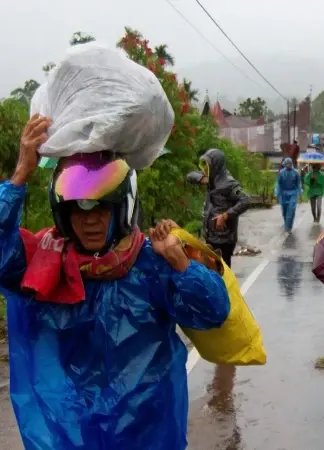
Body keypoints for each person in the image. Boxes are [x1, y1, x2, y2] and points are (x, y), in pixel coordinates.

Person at [2, 114, 231, 450]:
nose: (90, 221)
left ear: (122, 209)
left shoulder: (150, 262)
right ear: (64, 215)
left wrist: (181, 262)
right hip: (72, 431)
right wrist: (21, 174)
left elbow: (214, 311)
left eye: (102, 209)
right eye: (79, 210)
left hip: (147, 431)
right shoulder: (44, 263)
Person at [188, 148, 250, 268]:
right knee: (212, 270)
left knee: (223, 271)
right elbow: (190, 176)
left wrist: (226, 215)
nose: (205, 169)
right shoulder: (210, 178)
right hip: (211, 234)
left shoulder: (229, 184)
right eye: (204, 165)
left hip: (224, 237)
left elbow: (245, 200)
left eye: (207, 165)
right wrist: (201, 178)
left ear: (216, 165)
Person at [275, 157, 303, 231]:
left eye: (289, 163)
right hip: (283, 194)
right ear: (284, 164)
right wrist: (277, 194)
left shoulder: (296, 172)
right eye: (286, 163)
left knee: (291, 210)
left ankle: (288, 227)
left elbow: (298, 184)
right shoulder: (281, 173)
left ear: (291, 164)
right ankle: (286, 223)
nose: (288, 165)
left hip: (293, 193)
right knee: (284, 210)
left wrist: (300, 194)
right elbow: (278, 184)